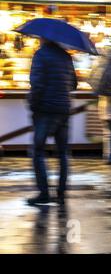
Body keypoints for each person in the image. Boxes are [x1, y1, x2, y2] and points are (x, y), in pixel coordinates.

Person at [27, 38, 77, 205]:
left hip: (45, 110)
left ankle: (44, 193)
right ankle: (61, 193)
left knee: (37, 151)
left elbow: (37, 84)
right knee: (63, 153)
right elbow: (74, 84)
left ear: (43, 38)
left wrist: (33, 106)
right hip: (64, 109)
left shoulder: (40, 55)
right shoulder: (66, 56)